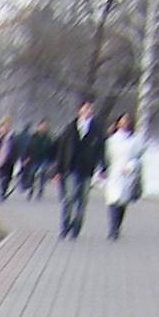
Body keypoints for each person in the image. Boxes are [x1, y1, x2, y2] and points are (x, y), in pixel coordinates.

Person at [57, 101, 106, 239]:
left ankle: (76, 226)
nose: (87, 112)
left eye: (89, 109)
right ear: (80, 111)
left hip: (87, 168)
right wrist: (58, 170)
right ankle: (65, 225)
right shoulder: (71, 127)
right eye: (85, 109)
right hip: (71, 167)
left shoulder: (97, 128)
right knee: (70, 197)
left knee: (83, 200)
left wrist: (103, 167)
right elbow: (62, 148)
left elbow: (101, 149)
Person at [101, 112, 148, 238]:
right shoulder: (111, 140)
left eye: (127, 121)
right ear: (118, 123)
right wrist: (103, 169)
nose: (125, 123)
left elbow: (139, 157)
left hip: (127, 174)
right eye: (122, 121)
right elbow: (105, 156)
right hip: (113, 172)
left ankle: (117, 226)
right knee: (113, 200)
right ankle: (112, 229)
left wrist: (131, 166)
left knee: (122, 201)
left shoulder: (135, 140)